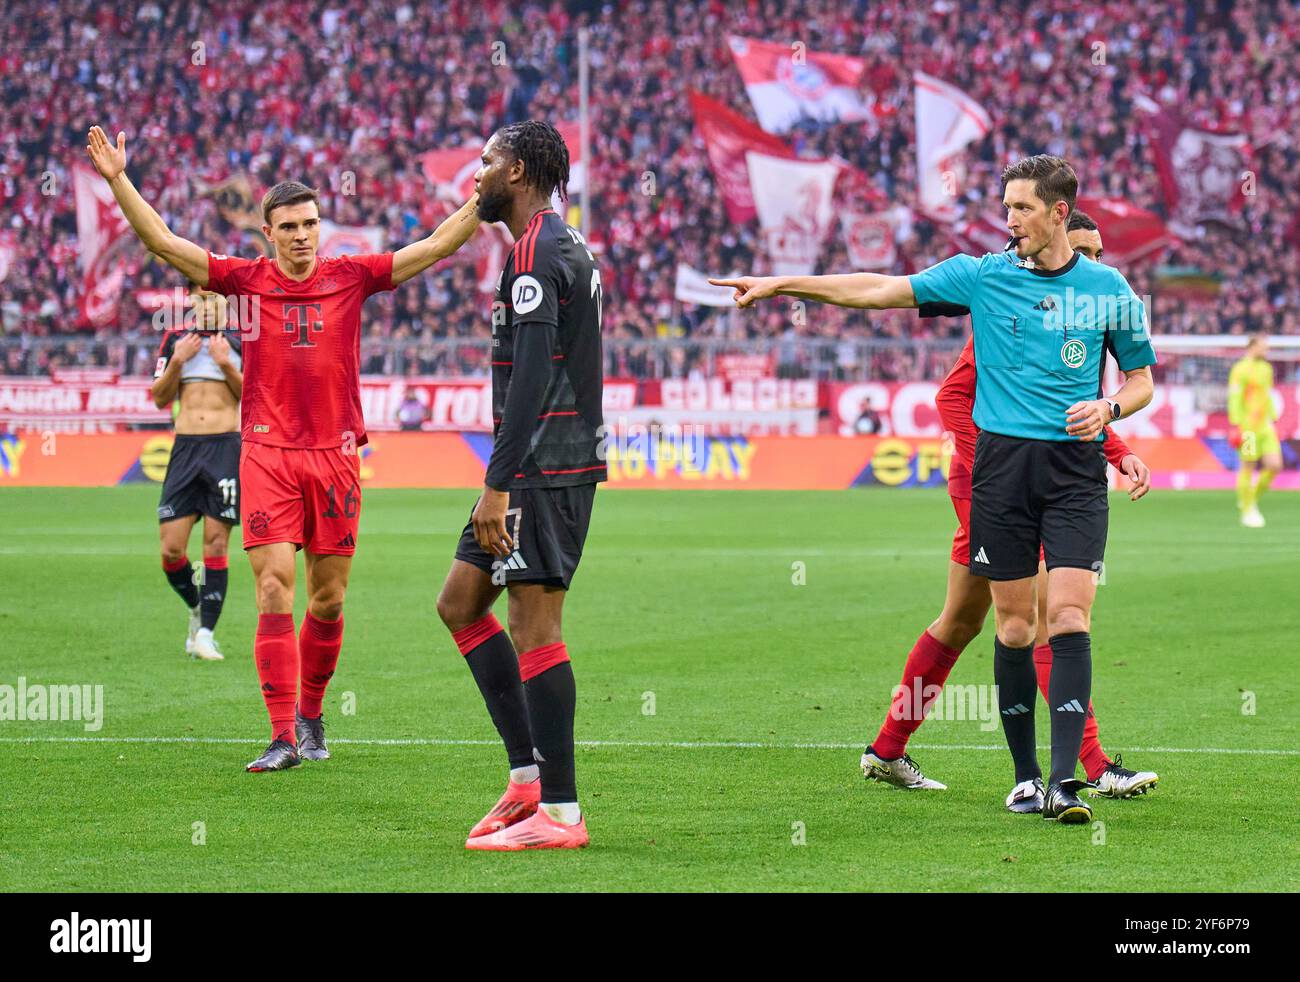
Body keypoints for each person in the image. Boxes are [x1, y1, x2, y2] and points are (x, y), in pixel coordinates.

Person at [711, 155, 1157, 824]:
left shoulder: (1107, 290)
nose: (1008, 220)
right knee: (1006, 622)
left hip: (1067, 477)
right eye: (1006, 207)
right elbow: (879, 290)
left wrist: (1112, 420)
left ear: (1059, 213)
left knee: (1053, 616)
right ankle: (1022, 775)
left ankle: (1069, 777)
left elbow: (1136, 382)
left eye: (1022, 208)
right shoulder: (985, 278)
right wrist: (782, 286)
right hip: (996, 478)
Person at [85, 124, 480, 772]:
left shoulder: (353, 275)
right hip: (265, 452)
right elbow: (162, 242)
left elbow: (436, 245)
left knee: (327, 599)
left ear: (321, 226)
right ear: (268, 233)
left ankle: (312, 712)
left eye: (310, 223)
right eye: (289, 225)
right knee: (273, 586)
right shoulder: (245, 280)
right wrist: (118, 179)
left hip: (334, 455)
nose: (301, 234)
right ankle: (281, 737)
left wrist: (481, 194)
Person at [858, 212, 1158, 806]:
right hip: (993, 484)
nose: (1096, 263)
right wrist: (995, 468)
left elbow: (1068, 405)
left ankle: (887, 747)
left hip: (1019, 479)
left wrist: (1117, 449)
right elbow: (954, 397)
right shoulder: (1010, 311)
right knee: (1045, 614)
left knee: (961, 620)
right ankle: (1090, 765)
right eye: (1087, 250)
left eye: (1100, 254)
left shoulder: (1087, 303)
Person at [435, 121, 605, 851]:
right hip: (539, 462)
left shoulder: (537, 249)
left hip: (545, 467)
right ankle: (526, 779)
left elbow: (533, 378)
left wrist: (497, 486)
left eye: (487, 161)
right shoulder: (557, 242)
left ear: (521, 170)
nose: (477, 173)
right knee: (461, 603)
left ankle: (561, 815)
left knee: (536, 628)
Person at [151, 284, 243, 662]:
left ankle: (206, 633)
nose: (207, 305)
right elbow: (159, 397)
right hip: (186, 449)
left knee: (215, 545)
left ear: (228, 301)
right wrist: (177, 362)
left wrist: (224, 364)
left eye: (215, 298)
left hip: (225, 447)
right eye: (200, 298)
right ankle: (195, 607)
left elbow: (254, 396)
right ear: (190, 300)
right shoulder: (176, 340)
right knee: (172, 550)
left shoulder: (241, 341)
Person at [1228, 333, 1282, 528]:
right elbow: (1235, 396)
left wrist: (1273, 415)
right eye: (1263, 346)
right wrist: (1237, 424)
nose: (1267, 350)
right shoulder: (1240, 370)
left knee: (1275, 465)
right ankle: (1247, 509)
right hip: (1248, 427)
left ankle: (1250, 499)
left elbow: (1266, 394)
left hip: (1266, 426)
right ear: (1252, 347)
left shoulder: (1266, 369)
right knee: (1248, 467)